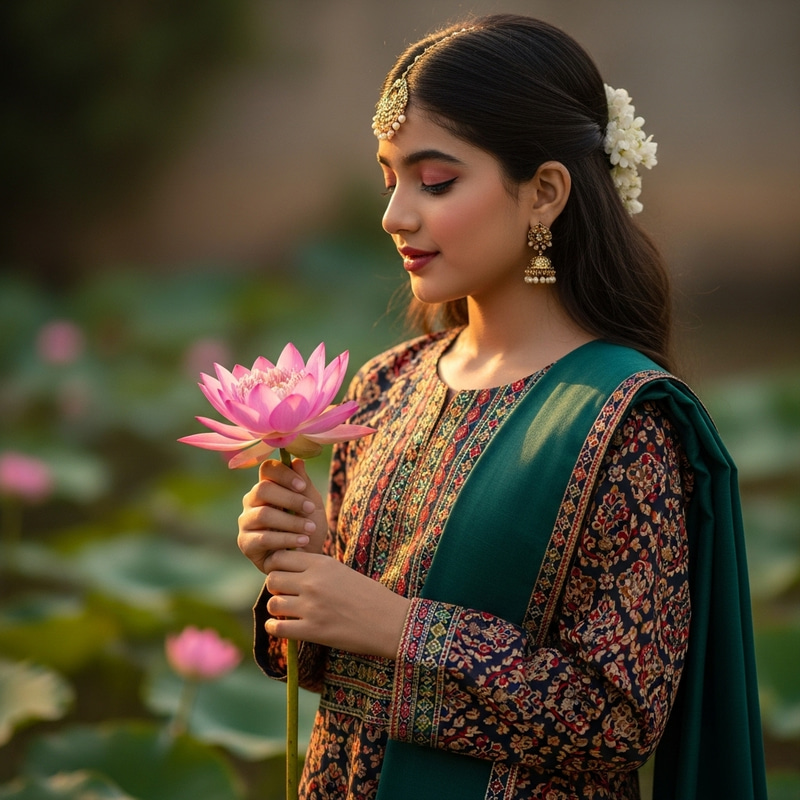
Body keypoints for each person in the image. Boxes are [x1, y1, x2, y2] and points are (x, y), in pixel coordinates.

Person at [237, 14, 766, 800]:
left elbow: (616, 719)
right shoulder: (386, 390)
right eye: (390, 179)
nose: (396, 216)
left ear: (544, 193)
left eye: (436, 180)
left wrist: (395, 626)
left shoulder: (625, 422)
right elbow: (333, 673)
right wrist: (305, 567)